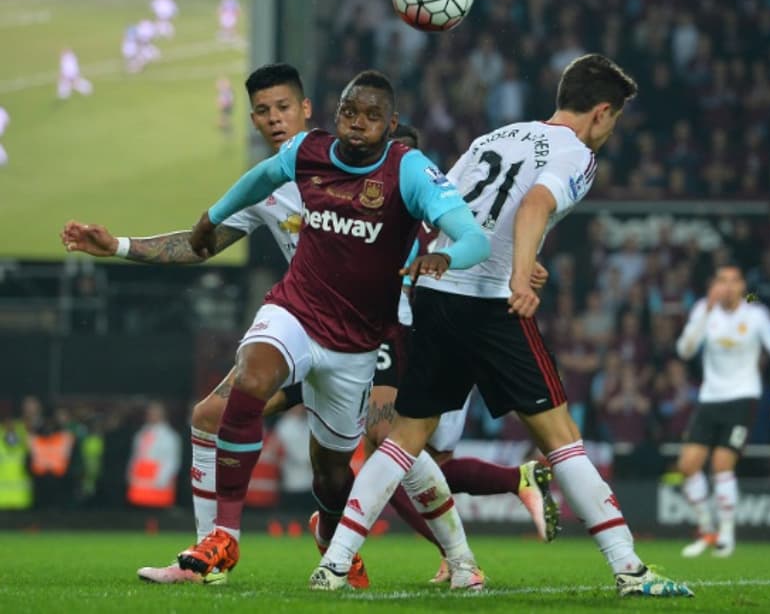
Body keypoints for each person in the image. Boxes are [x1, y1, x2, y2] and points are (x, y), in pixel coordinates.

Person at [311, 54, 693, 598]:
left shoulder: (497, 136)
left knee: (403, 442)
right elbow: (535, 203)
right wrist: (519, 275)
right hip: (489, 304)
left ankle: (335, 562)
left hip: (436, 294)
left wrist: (515, 253)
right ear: (602, 112)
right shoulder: (578, 154)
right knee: (562, 442)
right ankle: (630, 569)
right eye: (615, 120)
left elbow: (449, 210)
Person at [176, 69, 491, 588]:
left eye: (371, 117)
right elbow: (261, 178)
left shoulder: (409, 171)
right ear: (336, 113)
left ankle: (346, 545)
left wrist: (445, 258)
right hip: (296, 311)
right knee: (250, 378)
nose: (357, 125)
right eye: (349, 112)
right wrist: (213, 215)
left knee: (331, 472)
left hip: (357, 344)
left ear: (390, 125)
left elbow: (472, 238)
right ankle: (224, 537)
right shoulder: (308, 151)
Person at [62, 63, 313, 584]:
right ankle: (207, 559)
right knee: (208, 416)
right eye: (263, 111)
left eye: (283, 107)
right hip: (306, 326)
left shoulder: (346, 164)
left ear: (306, 109)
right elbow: (198, 245)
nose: (274, 119)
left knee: (388, 447)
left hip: (373, 330)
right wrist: (119, 247)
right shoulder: (262, 188)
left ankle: (457, 557)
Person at [353, 123, 558, 584]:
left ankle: (457, 554)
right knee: (428, 465)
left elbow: (482, 241)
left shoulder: (432, 204)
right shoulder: (421, 203)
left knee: (392, 452)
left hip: (420, 334)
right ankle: (514, 484)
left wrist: (523, 268)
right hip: (426, 332)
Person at [675, 264, 770, 558]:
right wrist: (705, 312)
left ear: (742, 286)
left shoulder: (755, 312)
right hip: (710, 397)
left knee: (721, 463)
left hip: (743, 397)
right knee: (688, 465)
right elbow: (685, 351)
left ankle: (727, 532)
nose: (727, 286)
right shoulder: (704, 308)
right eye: (721, 281)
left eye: (733, 281)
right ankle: (707, 530)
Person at [126, 402, 181, 509]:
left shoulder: (169, 436)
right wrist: (131, 474)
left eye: (155, 413)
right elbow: (136, 456)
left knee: (156, 510)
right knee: (139, 508)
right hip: (140, 478)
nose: (152, 415)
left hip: (158, 478)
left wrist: (162, 479)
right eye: (150, 413)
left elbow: (171, 461)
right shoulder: (141, 433)